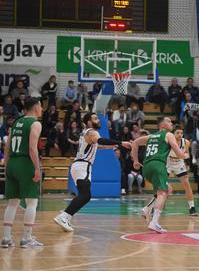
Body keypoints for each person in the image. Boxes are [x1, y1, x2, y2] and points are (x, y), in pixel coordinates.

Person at [53, 113, 132, 233]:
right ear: (89, 122)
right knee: (85, 195)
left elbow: (97, 145)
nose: (98, 120)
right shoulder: (91, 131)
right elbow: (99, 140)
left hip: (79, 166)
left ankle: (67, 216)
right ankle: (64, 216)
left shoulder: (85, 133)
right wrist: (121, 142)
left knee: (84, 195)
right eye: (95, 118)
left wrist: (111, 146)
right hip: (82, 166)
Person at [131, 117, 189, 233]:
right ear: (162, 125)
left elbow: (135, 143)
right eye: (169, 121)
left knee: (167, 189)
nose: (171, 123)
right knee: (163, 193)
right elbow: (178, 153)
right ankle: (154, 222)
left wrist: (136, 161)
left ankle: (147, 208)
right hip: (158, 165)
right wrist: (184, 155)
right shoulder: (168, 135)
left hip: (146, 168)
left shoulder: (150, 137)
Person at [2, 98, 43, 248]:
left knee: (12, 203)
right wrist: (37, 168)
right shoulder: (35, 123)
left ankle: (6, 238)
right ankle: (27, 238)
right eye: (41, 106)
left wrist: (7, 166)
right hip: (25, 163)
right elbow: (33, 148)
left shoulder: (16, 122)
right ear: (36, 107)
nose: (42, 109)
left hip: (12, 163)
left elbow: (6, 148)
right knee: (32, 201)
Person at [166, 127, 198, 216]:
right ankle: (154, 207)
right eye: (178, 133)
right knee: (161, 186)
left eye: (181, 133)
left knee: (187, 184)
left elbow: (187, 153)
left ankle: (192, 207)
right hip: (168, 162)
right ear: (173, 134)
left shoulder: (186, 142)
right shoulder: (168, 141)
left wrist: (185, 156)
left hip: (179, 163)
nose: (180, 135)